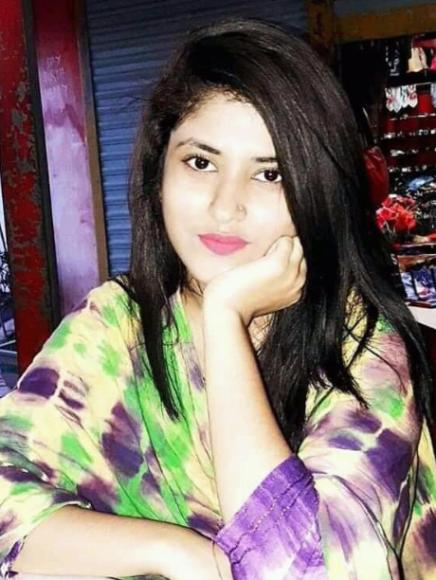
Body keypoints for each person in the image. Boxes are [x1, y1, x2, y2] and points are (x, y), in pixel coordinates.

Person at [0, 17, 435, 580]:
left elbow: (308, 571)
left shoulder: (363, 346)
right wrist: (177, 551)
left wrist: (226, 318)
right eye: (201, 162)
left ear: (319, 191)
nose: (226, 206)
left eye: (271, 174)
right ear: (159, 172)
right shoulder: (116, 325)